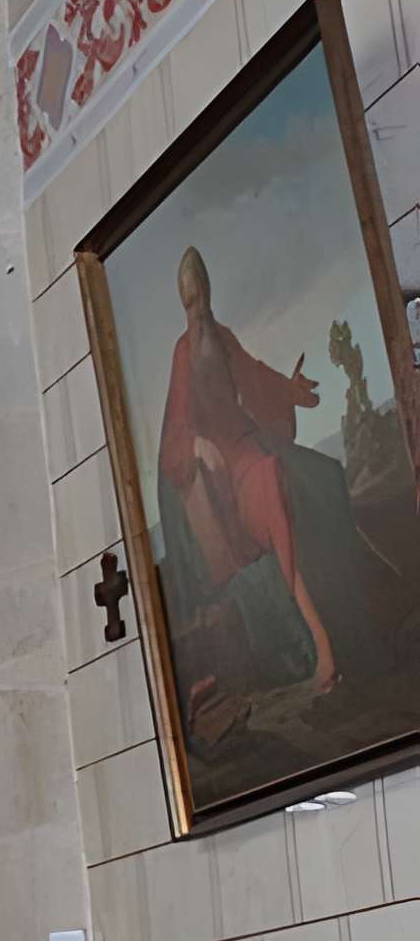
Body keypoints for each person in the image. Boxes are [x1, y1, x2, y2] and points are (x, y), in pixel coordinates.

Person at [158, 246, 338, 694]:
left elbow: (255, 377)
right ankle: (321, 646)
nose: (196, 312)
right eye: (188, 303)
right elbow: (175, 429)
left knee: (299, 477)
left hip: (246, 447)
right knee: (268, 486)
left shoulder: (223, 338)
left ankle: (325, 647)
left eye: (199, 299)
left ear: (209, 293)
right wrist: (198, 445)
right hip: (221, 473)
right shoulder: (184, 352)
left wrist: (290, 390)